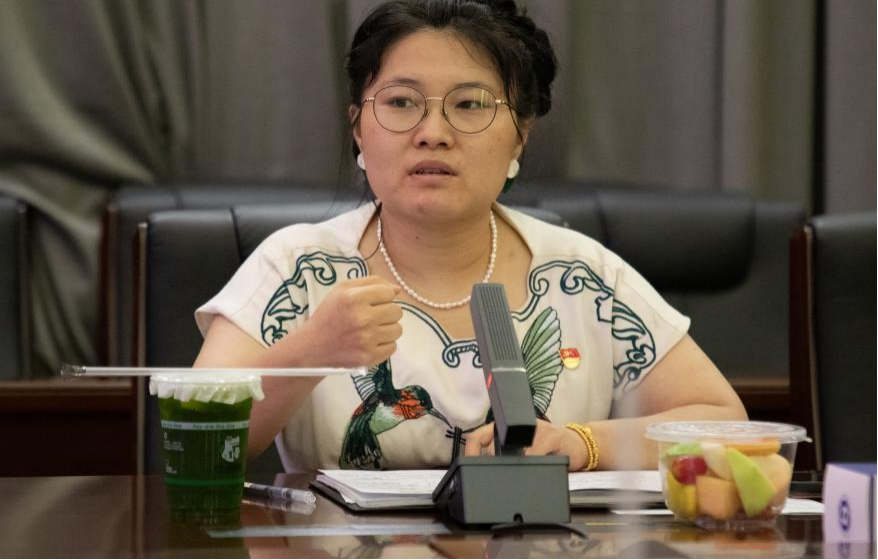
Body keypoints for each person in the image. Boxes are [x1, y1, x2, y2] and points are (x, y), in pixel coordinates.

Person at [193, 0, 747, 472]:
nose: (433, 133)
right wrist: (310, 351)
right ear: (358, 126)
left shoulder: (584, 279)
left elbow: (724, 425)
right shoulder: (298, 267)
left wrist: (583, 444)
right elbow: (197, 442)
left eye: (469, 104)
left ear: (521, 135)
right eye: (401, 102)